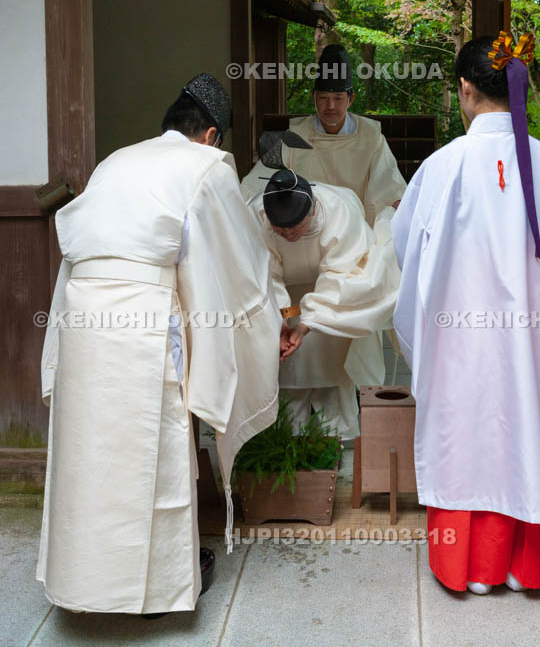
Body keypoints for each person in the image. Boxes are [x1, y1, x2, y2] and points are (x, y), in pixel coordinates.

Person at [37, 74, 281, 615]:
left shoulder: (115, 161)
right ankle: (157, 590)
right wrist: (271, 315)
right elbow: (240, 262)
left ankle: (81, 582)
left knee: (89, 451)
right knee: (154, 448)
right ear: (211, 135)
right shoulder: (206, 167)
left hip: (81, 317)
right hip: (146, 320)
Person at [392, 34, 540, 594]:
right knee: (528, 431)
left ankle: (472, 569)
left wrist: (421, 333)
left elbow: (407, 254)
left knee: (466, 436)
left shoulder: (440, 168)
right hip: (535, 342)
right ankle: (525, 566)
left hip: (458, 341)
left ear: (465, 89)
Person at [248, 169, 399, 439]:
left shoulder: (339, 211)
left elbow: (340, 277)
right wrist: (280, 319)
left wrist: (307, 323)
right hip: (286, 299)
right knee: (286, 376)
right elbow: (264, 275)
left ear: (313, 210)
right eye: (280, 229)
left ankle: (334, 440)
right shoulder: (255, 215)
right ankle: (287, 440)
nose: (288, 234)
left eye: (295, 227)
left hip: (336, 299)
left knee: (333, 372)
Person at [240, 44, 406, 223]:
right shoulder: (295, 135)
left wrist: (396, 202)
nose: (331, 106)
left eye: (338, 98)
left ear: (351, 99)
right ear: (313, 97)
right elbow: (257, 183)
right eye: (323, 98)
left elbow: (388, 188)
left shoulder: (370, 137)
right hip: (304, 228)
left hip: (356, 227)